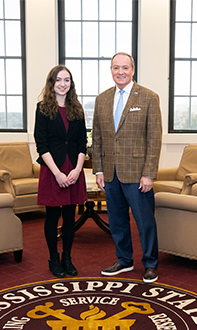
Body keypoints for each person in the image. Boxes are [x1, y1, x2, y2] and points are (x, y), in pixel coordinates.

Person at [92, 53, 162, 283]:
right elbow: (99, 138)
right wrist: (99, 170)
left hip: (137, 173)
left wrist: (149, 174)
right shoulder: (101, 100)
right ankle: (124, 260)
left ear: (133, 69)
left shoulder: (149, 97)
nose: (120, 72)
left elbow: (154, 139)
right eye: (115, 67)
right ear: (110, 70)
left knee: (144, 221)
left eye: (125, 67)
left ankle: (150, 263)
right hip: (110, 173)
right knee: (117, 220)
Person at [34, 65, 88, 278]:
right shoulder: (42, 108)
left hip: (73, 169)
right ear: (52, 83)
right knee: (52, 216)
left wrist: (77, 169)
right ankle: (53, 258)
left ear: (71, 84)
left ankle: (67, 257)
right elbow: (41, 145)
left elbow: (82, 143)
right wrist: (57, 173)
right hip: (53, 169)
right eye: (58, 80)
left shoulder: (78, 109)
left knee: (69, 216)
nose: (63, 84)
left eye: (67, 80)